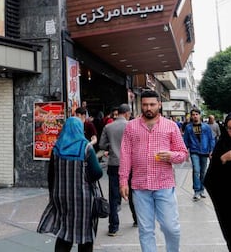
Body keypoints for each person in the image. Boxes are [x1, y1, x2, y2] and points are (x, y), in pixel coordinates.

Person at [119, 90, 188, 252]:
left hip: (164, 185)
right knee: (145, 230)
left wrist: (171, 155)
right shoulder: (131, 127)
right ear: (140, 105)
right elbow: (125, 155)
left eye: (152, 104)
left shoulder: (171, 126)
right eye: (145, 105)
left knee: (171, 228)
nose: (148, 108)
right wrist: (123, 181)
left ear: (159, 105)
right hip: (140, 186)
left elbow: (183, 154)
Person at [37, 117, 103, 252]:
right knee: (85, 234)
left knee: (65, 232)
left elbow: (51, 176)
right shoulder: (86, 147)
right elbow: (97, 173)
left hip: (61, 196)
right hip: (83, 199)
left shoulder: (56, 148)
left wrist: (52, 195)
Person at [99, 103, 137, 236]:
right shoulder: (131, 126)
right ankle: (136, 219)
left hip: (114, 164)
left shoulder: (108, 126)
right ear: (127, 113)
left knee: (113, 197)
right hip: (130, 164)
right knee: (133, 193)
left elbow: (102, 145)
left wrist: (112, 146)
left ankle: (113, 227)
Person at [204, 112, 231, 252]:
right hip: (228, 203)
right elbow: (210, 179)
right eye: (230, 129)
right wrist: (222, 159)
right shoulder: (221, 145)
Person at [183, 108, 214, 201]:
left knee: (203, 172)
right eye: (193, 114)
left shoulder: (206, 127)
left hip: (205, 151)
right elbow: (185, 141)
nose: (195, 116)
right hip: (194, 151)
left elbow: (211, 139)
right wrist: (185, 152)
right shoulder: (188, 127)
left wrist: (211, 150)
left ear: (200, 115)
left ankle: (202, 189)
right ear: (191, 116)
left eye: (197, 114)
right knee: (196, 170)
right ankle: (196, 191)